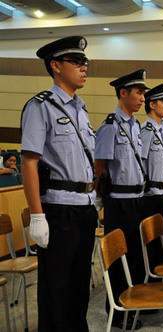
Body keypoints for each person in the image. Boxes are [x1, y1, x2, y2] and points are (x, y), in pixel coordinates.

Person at [21, 36, 97, 331]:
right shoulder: (41, 107)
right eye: (76, 62)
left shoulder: (81, 108)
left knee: (79, 284)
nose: (83, 67)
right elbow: (29, 162)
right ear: (55, 66)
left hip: (84, 208)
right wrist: (37, 215)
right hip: (58, 209)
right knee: (56, 286)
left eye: (85, 62)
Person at [94, 69, 149, 329]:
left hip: (137, 199)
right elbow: (99, 165)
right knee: (119, 259)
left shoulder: (134, 125)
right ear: (123, 93)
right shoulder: (110, 126)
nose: (142, 98)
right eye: (139, 92)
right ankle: (117, 313)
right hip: (118, 201)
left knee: (136, 256)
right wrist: (97, 197)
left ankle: (134, 305)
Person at [140, 83, 163, 264]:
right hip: (151, 196)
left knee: (162, 244)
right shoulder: (147, 131)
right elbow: (141, 164)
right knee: (153, 247)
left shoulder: (159, 131)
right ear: (152, 105)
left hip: (162, 194)